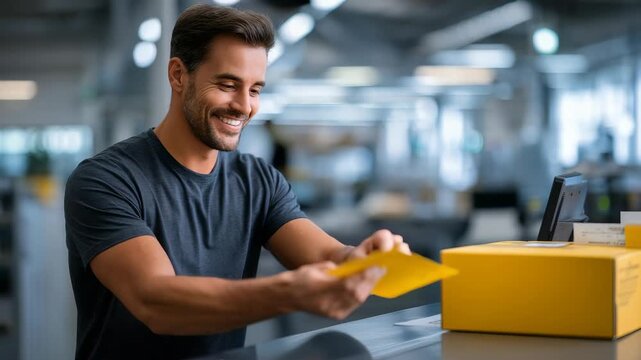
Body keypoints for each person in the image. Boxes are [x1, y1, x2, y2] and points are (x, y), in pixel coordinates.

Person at [64, 4, 409, 360]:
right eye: (228, 85)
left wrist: (364, 259)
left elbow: (326, 256)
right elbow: (157, 301)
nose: (244, 106)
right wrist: (287, 293)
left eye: (255, 90)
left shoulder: (258, 180)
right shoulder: (105, 180)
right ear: (179, 75)